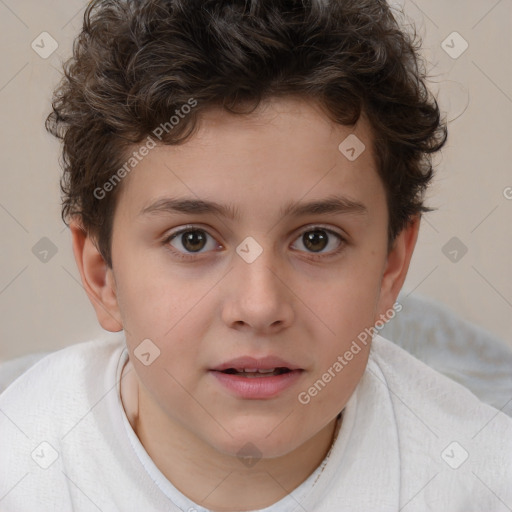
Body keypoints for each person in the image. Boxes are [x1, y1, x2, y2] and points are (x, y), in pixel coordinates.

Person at [1, 0, 511, 510]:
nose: (260, 306)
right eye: (193, 240)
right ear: (102, 276)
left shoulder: (480, 482)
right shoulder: (22, 472)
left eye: (317, 239)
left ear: (390, 268)